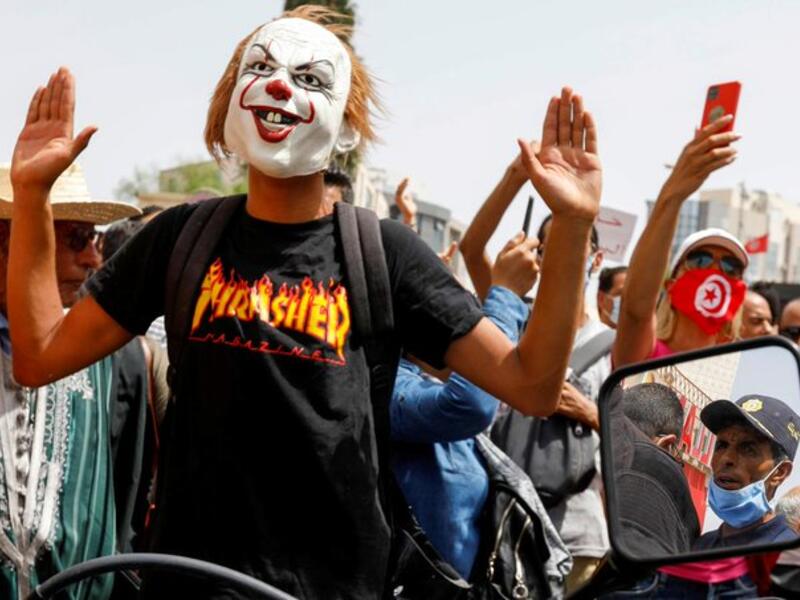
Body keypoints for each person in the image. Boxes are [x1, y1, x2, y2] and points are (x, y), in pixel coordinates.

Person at [7, 7, 602, 599]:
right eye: (260, 67)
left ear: (345, 128)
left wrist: (573, 225)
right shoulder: (181, 238)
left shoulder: (383, 253)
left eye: (312, 79)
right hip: (189, 584)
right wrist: (33, 195)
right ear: (227, 103)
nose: (278, 86)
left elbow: (531, 386)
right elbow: (39, 358)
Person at [391, 232, 570, 590]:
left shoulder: (428, 380)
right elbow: (472, 403)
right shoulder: (386, 383)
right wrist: (505, 296)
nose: (467, 328)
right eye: (456, 315)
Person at [0, 163, 140, 600]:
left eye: (95, 239)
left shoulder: (107, 353)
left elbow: (123, 489)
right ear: (10, 242)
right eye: (76, 239)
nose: (93, 259)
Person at [613, 116, 742, 368]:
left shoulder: (741, 375)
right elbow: (635, 309)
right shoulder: (647, 355)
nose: (715, 271)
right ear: (671, 283)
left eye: (730, 266)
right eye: (701, 260)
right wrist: (674, 193)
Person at [697, 395, 798, 548]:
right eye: (722, 445)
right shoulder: (701, 546)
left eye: (748, 449)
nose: (726, 458)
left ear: (780, 472)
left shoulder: (789, 557)